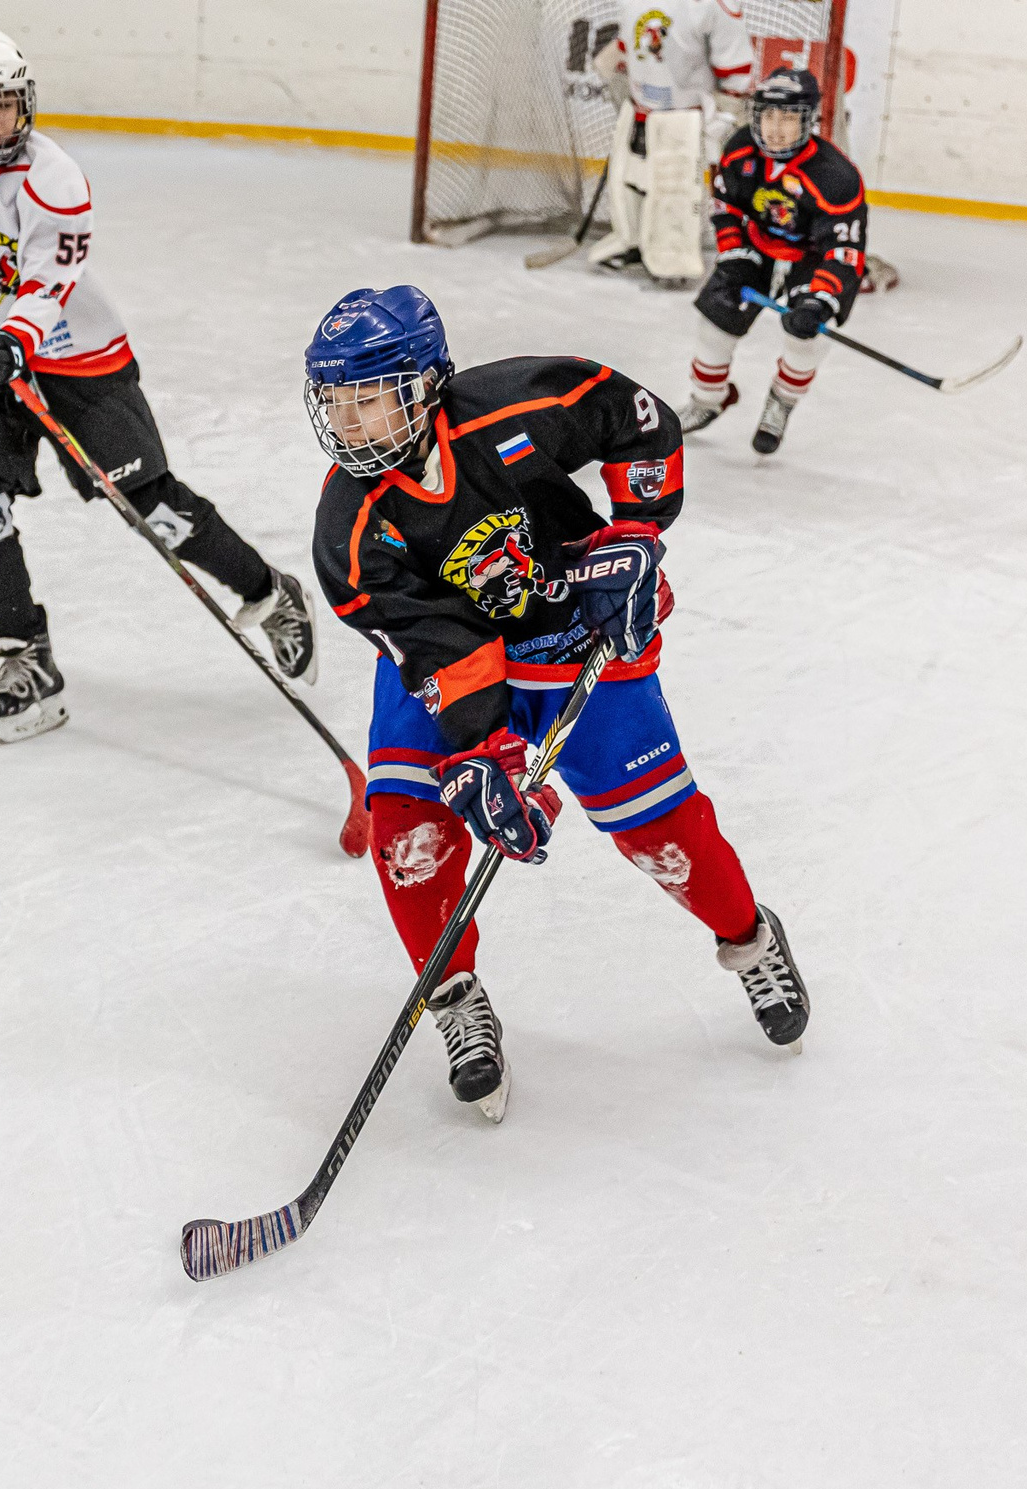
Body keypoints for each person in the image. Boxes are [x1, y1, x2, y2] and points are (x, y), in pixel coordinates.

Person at [303, 285, 809, 1121]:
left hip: (576, 625)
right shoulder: (349, 532)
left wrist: (636, 537)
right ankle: (456, 996)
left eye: (369, 400)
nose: (350, 424)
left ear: (426, 385)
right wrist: (481, 750)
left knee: (661, 834)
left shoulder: (519, 405)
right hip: (453, 662)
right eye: (336, 404)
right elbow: (436, 650)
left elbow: (639, 420)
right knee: (409, 831)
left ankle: (750, 936)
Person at [0, 28, 319, 742]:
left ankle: (271, 593)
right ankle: (28, 659)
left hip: (80, 359)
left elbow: (50, 279)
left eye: (5, 103)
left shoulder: (54, 177)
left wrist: (9, 343)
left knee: (154, 510)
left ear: (26, 104)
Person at [677, 67, 869, 455]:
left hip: (813, 256)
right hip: (759, 242)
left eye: (788, 118)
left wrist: (820, 300)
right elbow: (726, 207)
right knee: (717, 318)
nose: (774, 129)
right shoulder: (740, 149)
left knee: (808, 337)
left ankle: (780, 402)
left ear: (809, 121)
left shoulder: (836, 176)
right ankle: (707, 399)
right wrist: (735, 256)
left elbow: (844, 251)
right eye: (767, 116)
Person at [584, 0, 755, 281]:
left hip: (684, 118)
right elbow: (630, 39)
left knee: (674, 190)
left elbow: (735, 65)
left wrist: (725, 112)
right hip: (639, 109)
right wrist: (616, 54)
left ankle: (674, 258)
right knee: (630, 178)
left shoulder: (712, 5)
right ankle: (632, 241)